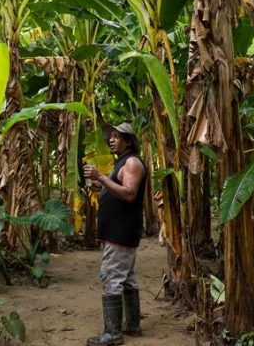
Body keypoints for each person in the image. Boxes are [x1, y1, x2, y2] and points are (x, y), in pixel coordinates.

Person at [83, 122, 147, 346]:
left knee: (111, 278)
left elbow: (129, 194)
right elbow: (117, 188)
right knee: (127, 279)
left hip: (120, 232)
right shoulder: (122, 162)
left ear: (129, 141)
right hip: (120, 231)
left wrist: (101, 177)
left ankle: (113, 333)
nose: (111, 140)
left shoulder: (131, 162)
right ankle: (132, 325)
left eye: (117, 137)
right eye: (110, 137)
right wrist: (100, 187)